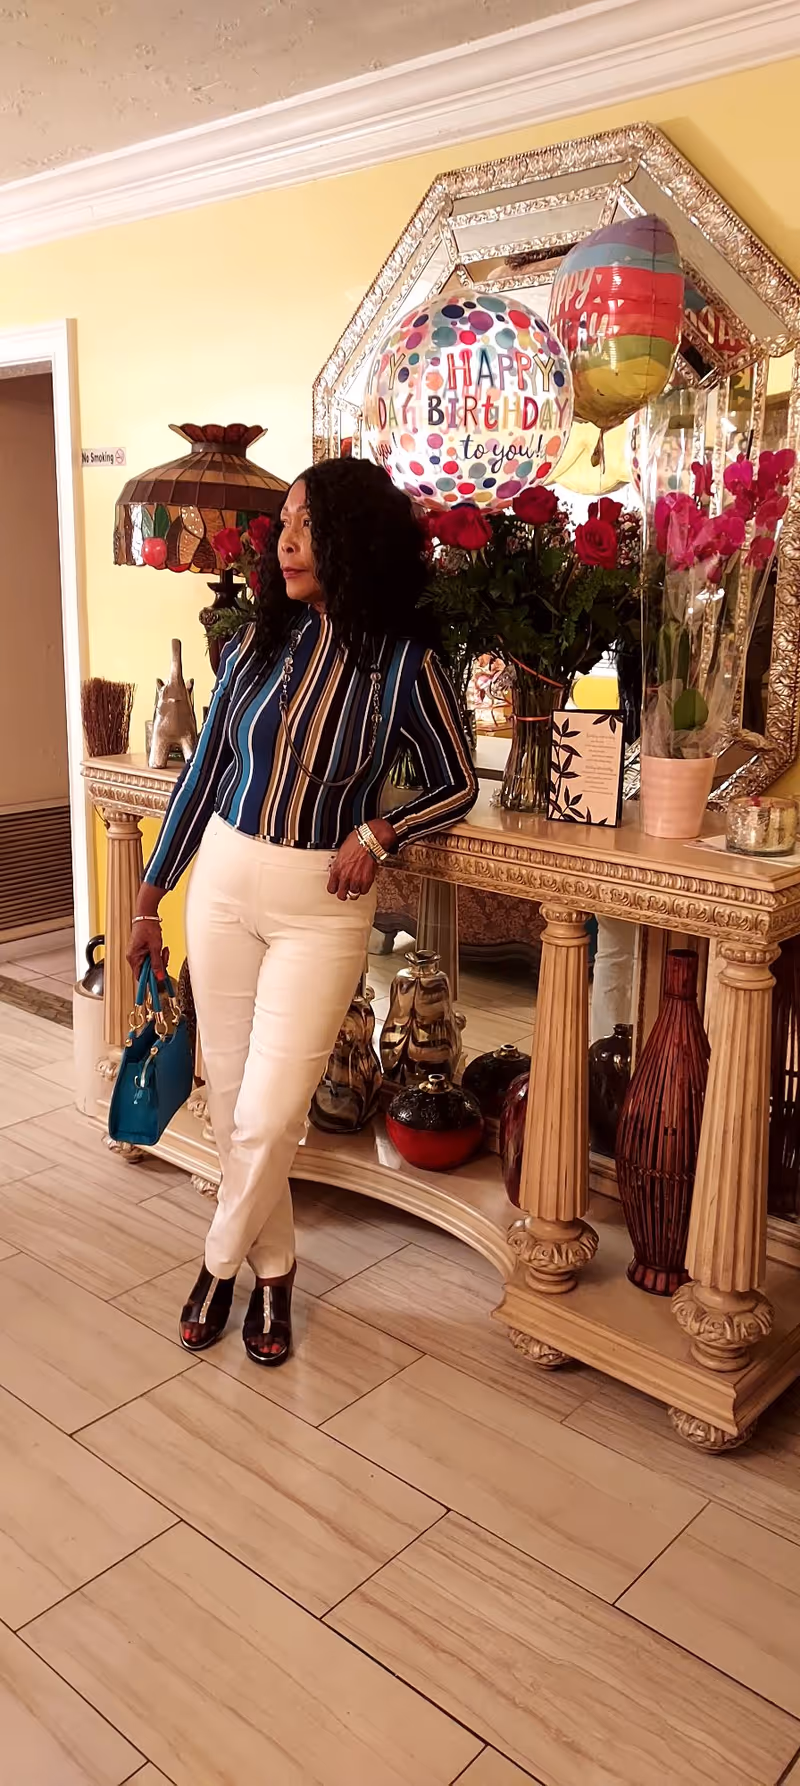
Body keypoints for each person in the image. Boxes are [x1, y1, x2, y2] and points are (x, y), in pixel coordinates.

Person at [127, 457, 478, 1366]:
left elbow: (456, 782)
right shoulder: (254, 645)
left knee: (271, 1116)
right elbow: (204, 773)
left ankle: (215, 1263)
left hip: (321, 908)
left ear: (352, 540)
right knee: (235, 1101)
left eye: (306, 527)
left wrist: (382, 833)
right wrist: (150, 891)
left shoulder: (403, 665)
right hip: (225, 885)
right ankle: (274, 1278)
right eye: (283, 524)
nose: (283, 544)